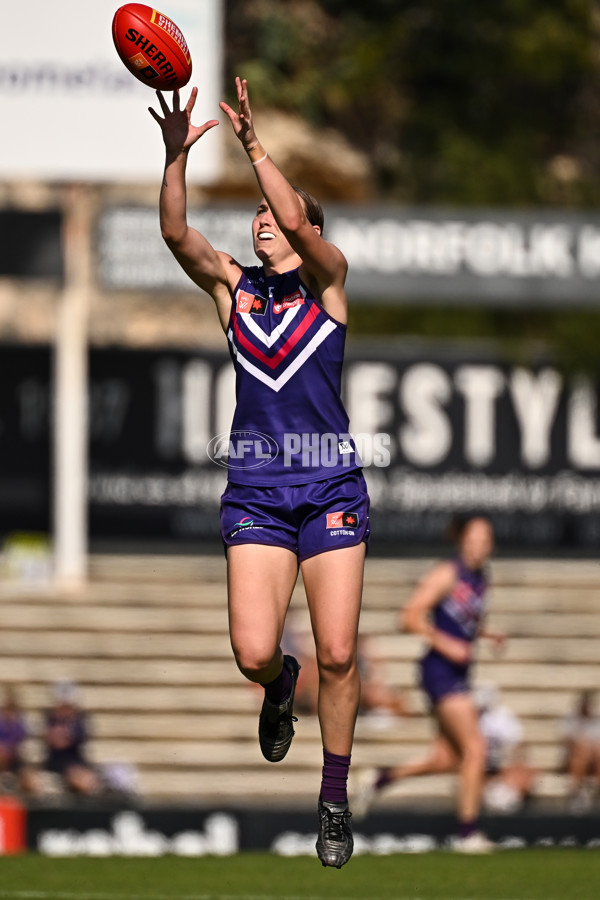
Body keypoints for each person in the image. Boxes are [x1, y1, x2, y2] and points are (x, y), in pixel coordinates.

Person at [149, 77, 370, 868]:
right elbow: (178, 234)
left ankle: (334, 797)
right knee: (252, 652)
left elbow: (310, 233)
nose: (262, 220)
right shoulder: (234, 291)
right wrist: (175, 158)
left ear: (306, 230)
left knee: (341, 652)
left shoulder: (330, 283)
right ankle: (282, 685)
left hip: (330, 489)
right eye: (256, 213)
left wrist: (254, 147)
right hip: (258, 495)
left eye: (277, 213)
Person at [354, 515, 505, 851]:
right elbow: (408, 616)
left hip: (459, 673)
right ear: (461, 540)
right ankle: (468, 834)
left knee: (446, 759)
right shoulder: (446, 574)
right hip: (440, 672)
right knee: (476, 749)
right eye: (475, 537)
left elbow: (465, 619)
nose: (481, 544)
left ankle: (378, 779)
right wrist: (445, 643)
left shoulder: (482, 577)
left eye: (486, 537)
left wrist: (486, 633)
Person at [42, 680, 102, 796]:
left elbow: (73, 740)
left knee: (88, 779)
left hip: (76, 762)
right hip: (57, 763)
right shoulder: (49, 718)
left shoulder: (80, 720)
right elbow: (54, 742)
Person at [559, 690, 600, 812]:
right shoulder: (570, 720)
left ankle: (593, 790)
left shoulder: (597, 721)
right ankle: (576, 793)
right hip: (573, 756)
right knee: (580, 755)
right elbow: (567, 741)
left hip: (593, 757)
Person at [0, 687, 39, 794]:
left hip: (16, 761)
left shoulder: (19, 725)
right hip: (3, 759)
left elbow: (19, 744)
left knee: (30, 779)